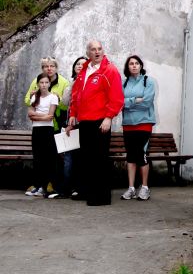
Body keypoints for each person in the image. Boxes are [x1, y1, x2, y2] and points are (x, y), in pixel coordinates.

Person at [66, 40, 124, 206]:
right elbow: (76, 94)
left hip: (100, 121)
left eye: (99, 49)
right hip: (84, 121)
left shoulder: (110, 70)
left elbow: (117, 97)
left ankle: (101, 197)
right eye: (93, 49)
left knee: (99, 159)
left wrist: (109, 117)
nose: (97, 52)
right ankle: (87, 191)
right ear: (88, 53)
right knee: (86, 158)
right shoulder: (84, 70)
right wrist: (73, 114)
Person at [24, 57, 70, 197]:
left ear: (56, 68)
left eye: (51, 66)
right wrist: (40, 114)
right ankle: (39, 184)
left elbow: (63, 106)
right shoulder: (36, 83)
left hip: (55, 125)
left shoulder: (63, 82)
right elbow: (28, 103)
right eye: (45, 66)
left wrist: (58, 99)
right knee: (39, 157)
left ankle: (52, 185)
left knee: (53, 158)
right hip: (38, 128)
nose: (49, 68)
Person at [120, 55, 156, 201]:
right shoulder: (123, 83)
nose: (134, 66)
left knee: (141, 155)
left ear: (141, 66)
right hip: (128, 124)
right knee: (130, 156)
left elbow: (147, 102)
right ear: (127, 67)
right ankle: (131, 188)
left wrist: (128, 103)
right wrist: (135, 100)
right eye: (131, 64)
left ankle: (145, 187)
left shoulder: (148, 81)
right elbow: (119, 102)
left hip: (144, 123)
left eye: (136, 63)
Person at [25, 74, 58, 198]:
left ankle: (47, 185)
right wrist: (43, 116)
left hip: (47, 130)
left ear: (49, 84)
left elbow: (50, 116)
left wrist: (37, 115)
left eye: (46, 82)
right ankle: (38, 185)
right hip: (36, 130)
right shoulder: (34, 96)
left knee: (47, 158)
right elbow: (30, 114)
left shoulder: (53, 97)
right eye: (41, 82)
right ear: (38, 84)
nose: (44, 85)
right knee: (37, 158)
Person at [60, 56, 87, 197]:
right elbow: (65, 102)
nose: (80, 66)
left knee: (80, 158)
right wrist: (73, 84)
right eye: (77, 64)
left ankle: (78, 187)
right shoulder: (72, 83)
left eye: (83, 64)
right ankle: (67, 188)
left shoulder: (88, 83)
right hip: (71, 124)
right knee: (69, 158)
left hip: (83, 125)